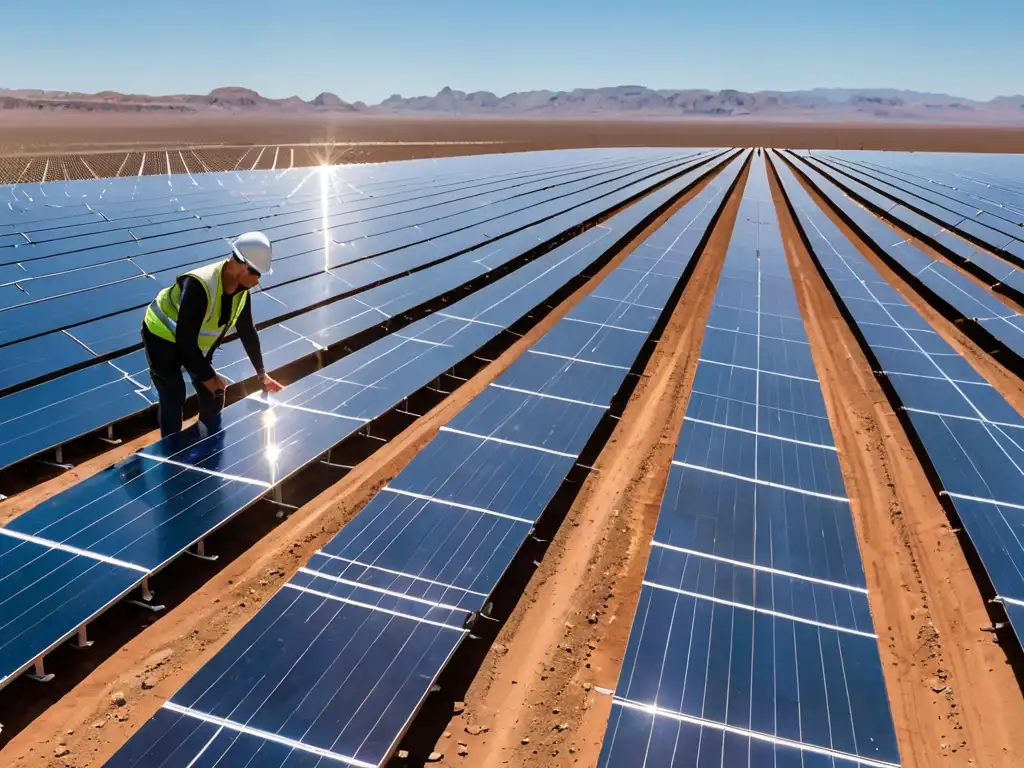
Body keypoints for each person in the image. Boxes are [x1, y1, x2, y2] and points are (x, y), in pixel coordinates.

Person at [141, 230, 283, 438]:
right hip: (162, 336)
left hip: (193, 342)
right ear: (244, 266)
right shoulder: (199, 286)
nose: (258, 281)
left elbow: (247, 331)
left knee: (214, 393)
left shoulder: (242, 291)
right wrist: (208, 377)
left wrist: (262, 373)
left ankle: (207, 441)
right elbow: (185, 342)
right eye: (257, 274)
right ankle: (171, 454)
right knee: (173, 393)